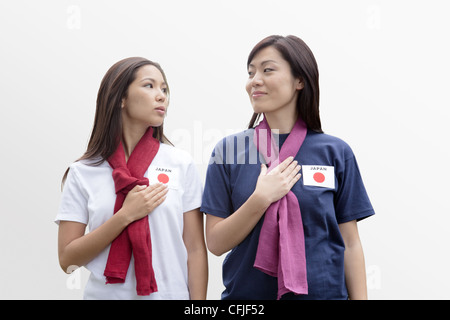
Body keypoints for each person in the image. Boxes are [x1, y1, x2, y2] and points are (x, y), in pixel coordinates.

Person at [201, 35, 374, 300]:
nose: (254, 80)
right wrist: (260, 199)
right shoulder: (228, 151)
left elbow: (350, 243)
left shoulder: (335, 152)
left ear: (300, 81)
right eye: (251, 73)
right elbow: (215, 243)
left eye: (267, 70)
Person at [56, 57, 208, 300]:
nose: (161, 96)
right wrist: (125, 215)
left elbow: (195, 250)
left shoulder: (180, 163)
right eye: (149, 86)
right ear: (121, 98)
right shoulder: (83, 171)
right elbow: (67, 260)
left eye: (165, 89)